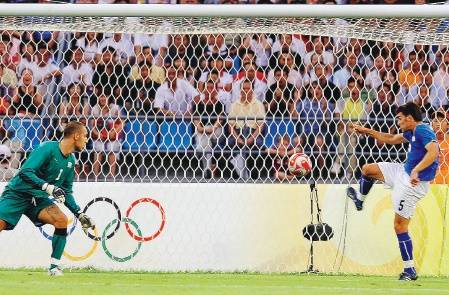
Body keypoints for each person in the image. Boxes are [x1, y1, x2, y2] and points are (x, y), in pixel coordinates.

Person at [346, 102, 439, 281]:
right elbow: (391, 139)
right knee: (367, 169)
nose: (398, 122)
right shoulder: (412, 131)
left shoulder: (422, 130)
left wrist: (416, 170)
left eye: (399, 119)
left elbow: (434, 152)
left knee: (399, 226)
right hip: (402, 172)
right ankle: (360, 199)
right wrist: (367, 131)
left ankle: (409, 270)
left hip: (413, 184)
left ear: (410, 118)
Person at [0, 121, 95, 276]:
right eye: (85, 136)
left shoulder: (71, 162)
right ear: (76, 136)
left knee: (61, 220)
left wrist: (79, 213)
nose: (86, 140)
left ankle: (54, 267)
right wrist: (47, 187)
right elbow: (25, 172)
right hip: (17, 194)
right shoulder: (47, 148)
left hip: (39, 199)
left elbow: (66, 192)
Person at [431, 111, 449, 184]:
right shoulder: (427, 142)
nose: (438, 123)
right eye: (435, 120)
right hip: (431, 183)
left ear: (448, 125)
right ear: (432, 125)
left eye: (442, 120)